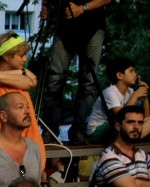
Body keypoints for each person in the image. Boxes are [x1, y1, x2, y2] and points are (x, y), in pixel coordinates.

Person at [39, 0, 112, 145]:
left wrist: (83, 8)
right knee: (54, 79)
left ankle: (79, 130)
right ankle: (50, 130)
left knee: (88, 82)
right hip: (64, 28)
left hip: (93, 26)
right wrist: (46, 7)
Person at [0, 32, 45, 164]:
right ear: (6, 56)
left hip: (24, 142)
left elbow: (30, 82)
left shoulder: (18, 76)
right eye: (21, 56)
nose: (25, 59)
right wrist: (19, 73)